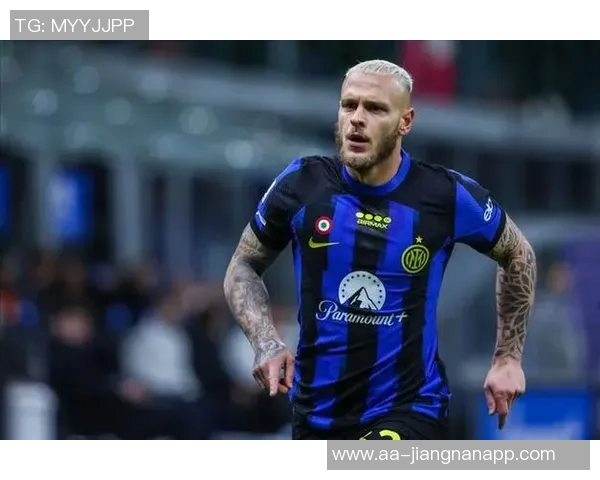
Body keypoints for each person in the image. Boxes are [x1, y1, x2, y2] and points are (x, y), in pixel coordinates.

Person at [223, 59, 537, 440]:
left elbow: (518, 254)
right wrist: (265, 341)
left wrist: (508, 357)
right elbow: (243, 265)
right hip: (315, 415)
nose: (357, 118)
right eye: (349, 105)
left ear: (405, 122)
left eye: (374, 108)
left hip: (409, 410)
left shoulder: (445, 195)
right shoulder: (301, 183)